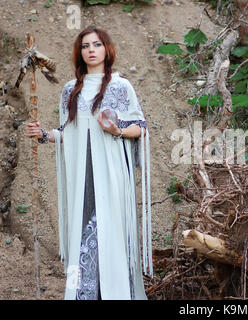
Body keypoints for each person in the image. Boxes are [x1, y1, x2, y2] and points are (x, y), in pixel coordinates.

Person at [25, 26, 153, 300]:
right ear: (79, 53)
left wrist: (116, 130)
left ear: (107, 49)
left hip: (112, 173)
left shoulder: (121, 86)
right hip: (83, 178)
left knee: (111, 231)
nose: (91, 50)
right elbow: (66, 133)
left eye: (96, 44)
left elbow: (141, 127)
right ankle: (81, 293)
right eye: (85, 46)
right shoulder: (70, 90)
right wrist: (44, 134)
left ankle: (118, 293)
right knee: (81, 234)